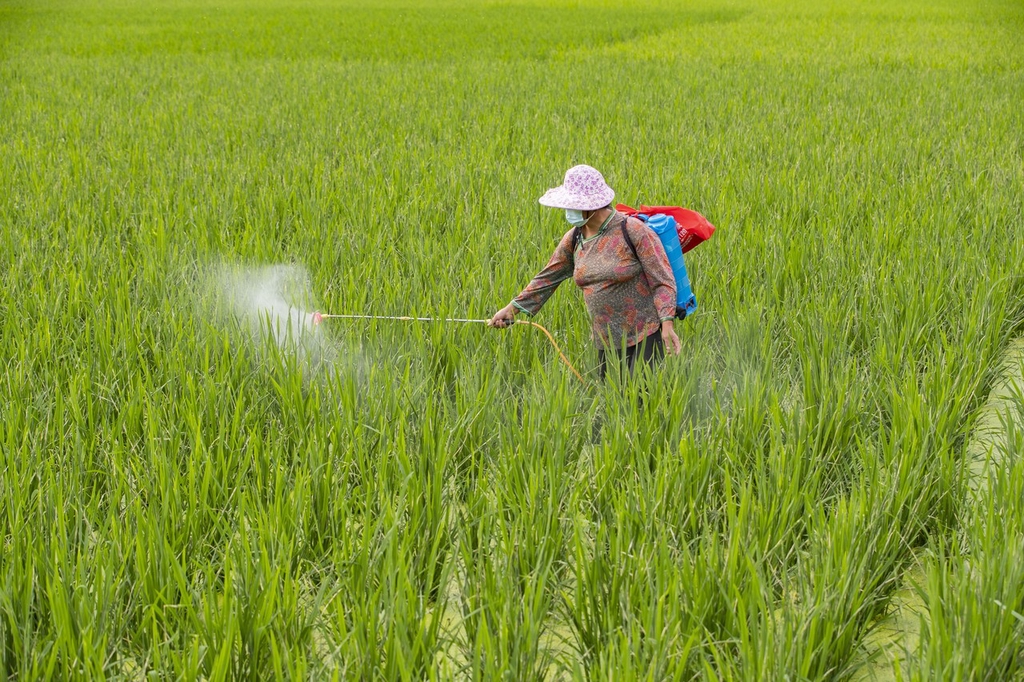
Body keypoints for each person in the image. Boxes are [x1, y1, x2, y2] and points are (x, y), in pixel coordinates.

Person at [489, 165, 681, 379]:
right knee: (615, 404)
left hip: (645, 334)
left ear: (592, 205)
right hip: (605, 340)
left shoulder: (633, 230)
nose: (568, 211)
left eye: (573, 204)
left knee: (642, 400)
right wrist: (511, 309)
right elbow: (546, 279)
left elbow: (662, 280)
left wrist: (667, 323)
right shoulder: (574, 238)